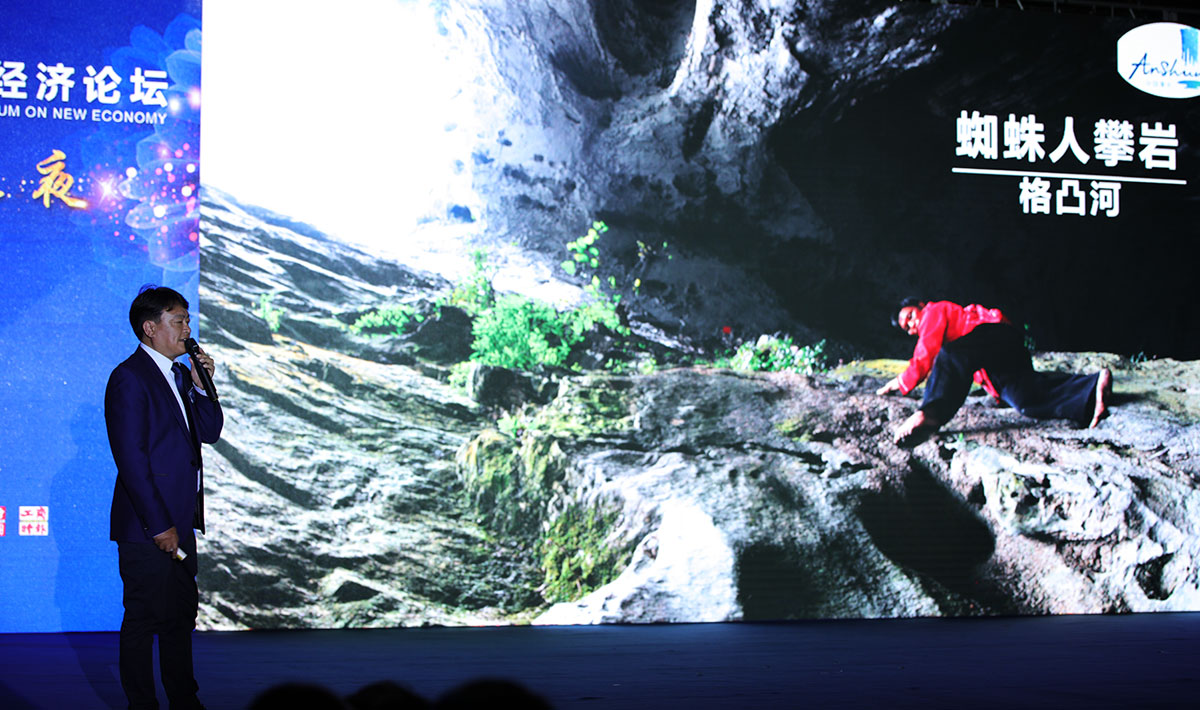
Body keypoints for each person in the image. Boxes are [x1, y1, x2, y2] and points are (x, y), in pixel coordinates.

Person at [106, 285, 223, 710]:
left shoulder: (178, 375)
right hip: (148, 528)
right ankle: (142, 704)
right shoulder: (129, 377)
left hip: (180, 522)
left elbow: (208, 433)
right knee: (142, 617)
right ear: (150, 328)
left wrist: (202, 384)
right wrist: (159, 526)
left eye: (188, 321)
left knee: (179, 617)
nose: (187, 330)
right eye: (179, 322)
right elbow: (131, 459)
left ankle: (184, 700)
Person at [876, 299, 1111, 445]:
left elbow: (926, 354)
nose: (913, 324)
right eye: (908, 327)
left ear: (920, 306)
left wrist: (900, 382)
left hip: (995, 334)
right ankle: (1090, 388)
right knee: (1024, 400)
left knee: (950, 355)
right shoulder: (963, 348)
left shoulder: (934, 312)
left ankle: (930, 414)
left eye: (911, 316)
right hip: (1000, 357)